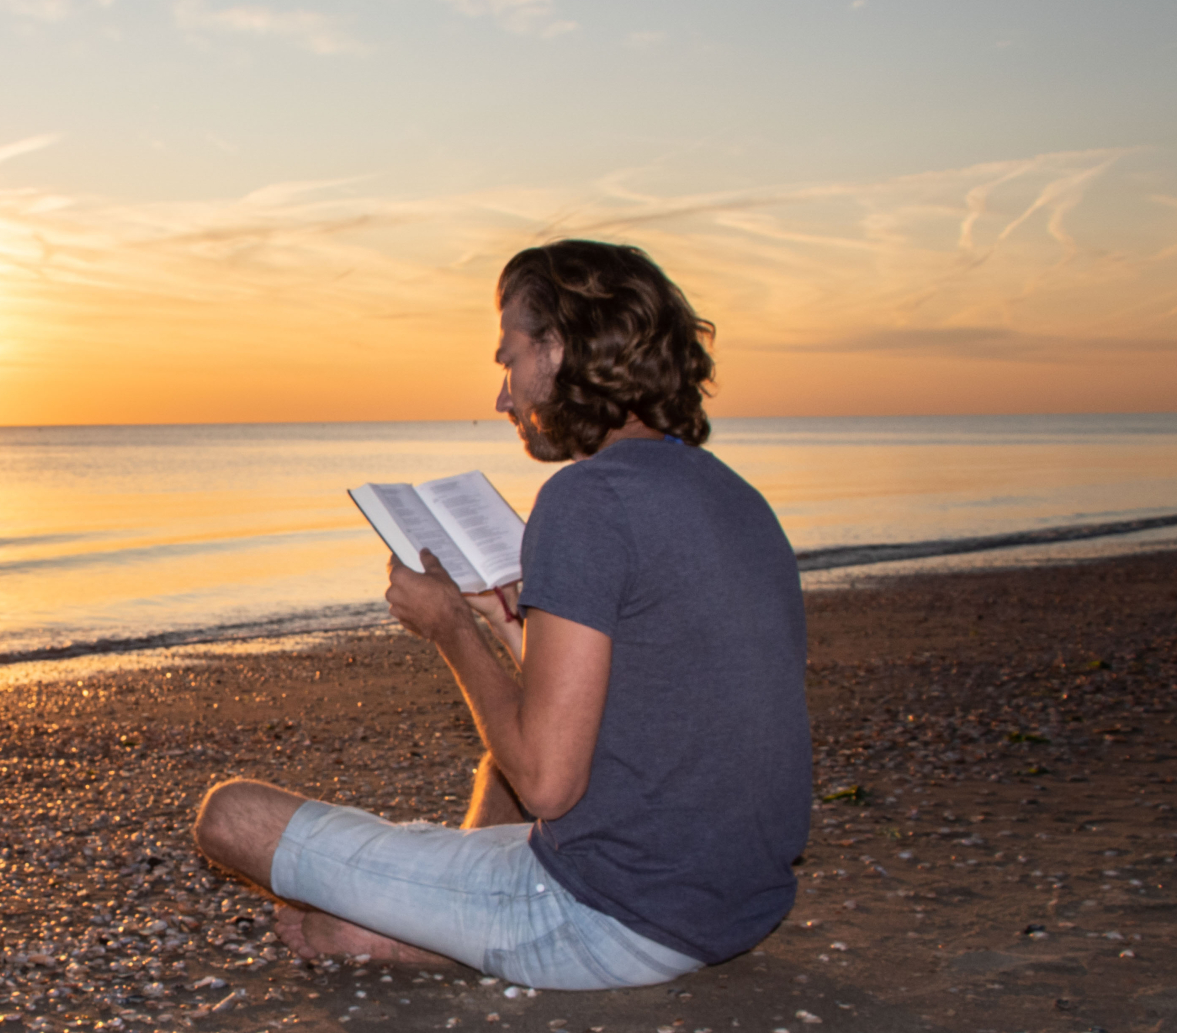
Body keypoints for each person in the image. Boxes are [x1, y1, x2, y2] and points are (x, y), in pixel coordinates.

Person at [192, 239, 810, 989]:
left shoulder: (586, 500)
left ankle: (418, 935)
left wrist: (450, 626)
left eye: (509, 359)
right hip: (732, 907)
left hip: (608, 920)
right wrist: (502, 621)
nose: (503, 394)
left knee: (229, 815)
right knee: (508, 740)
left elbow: (548, 784)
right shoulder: (736, 497)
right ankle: (437, 920)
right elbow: (646, 706)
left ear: (562, 349)